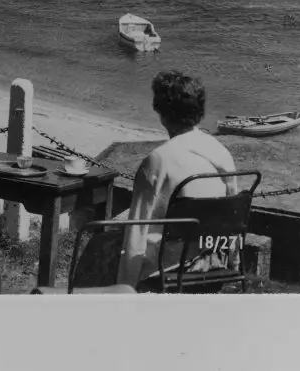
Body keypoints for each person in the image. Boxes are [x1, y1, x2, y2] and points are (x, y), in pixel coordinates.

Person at [72, 71, 238, 291]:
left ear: (161, 112)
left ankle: (91, 306)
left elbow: (137, 230)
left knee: (100, 244)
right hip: (211, 256)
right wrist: (234, 261)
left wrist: (126, 284)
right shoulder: (220, 151)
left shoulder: (159, 160)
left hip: (170, 263)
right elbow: (232, 215)